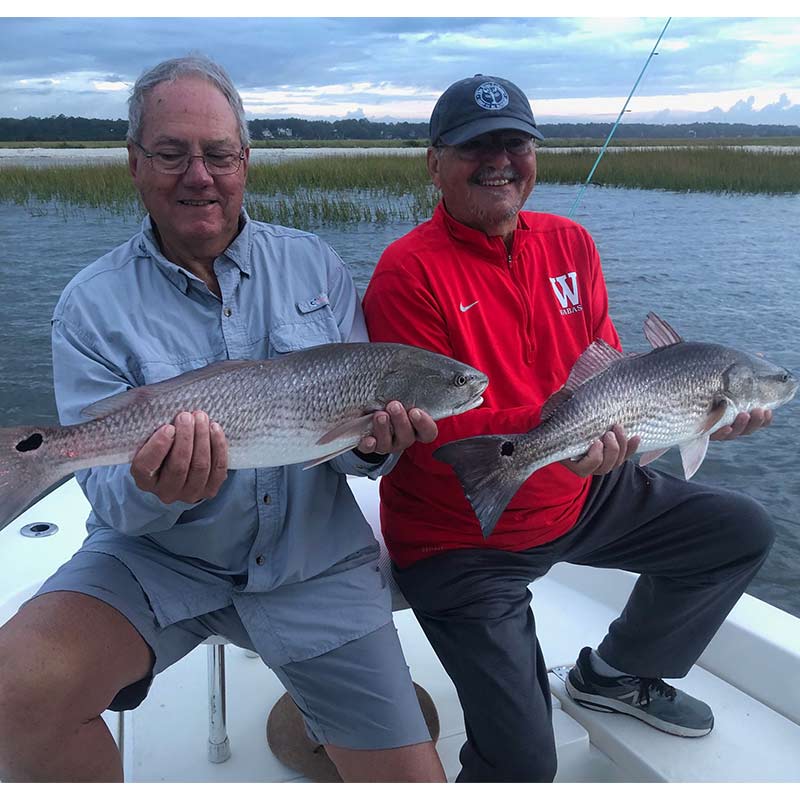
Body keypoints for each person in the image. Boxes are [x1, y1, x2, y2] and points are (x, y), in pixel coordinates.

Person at [0, 55, 446, 783]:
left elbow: (348, 450)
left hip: (315, 562)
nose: (198, 175)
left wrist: (374, 449)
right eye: (172, 154)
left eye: (217, 154)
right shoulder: (89, 305)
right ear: (134, 164)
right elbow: (113, 502)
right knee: (15, 691)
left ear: (246, 161)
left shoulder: (317, 267)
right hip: (154, 561)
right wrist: (156, 488)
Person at [362, 74, 777, 782]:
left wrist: (686, 419)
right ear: (435, 162)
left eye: (515, 143)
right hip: (461, 538)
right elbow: (429, 443)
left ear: (534, 154)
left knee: (739, 532)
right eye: (475, 146)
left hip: (584, 491)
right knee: (524, 763)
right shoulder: (407, 275)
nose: (500, 159)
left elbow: (608, 371)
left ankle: (616, 673)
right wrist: (574, 434)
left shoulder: (573, 245)